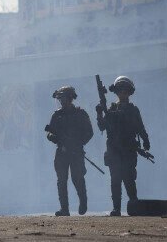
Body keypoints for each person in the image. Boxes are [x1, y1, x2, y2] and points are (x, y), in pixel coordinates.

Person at [96, 76, 150, 217]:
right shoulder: (111, 109)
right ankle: (116, 208)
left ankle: (134, 204)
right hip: (114, 150)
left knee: (129, 178)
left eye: (125, 90)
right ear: (117, 92)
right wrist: (99, 113)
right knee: (115, 180)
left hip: (129, 149)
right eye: (120, 90)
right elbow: (102, 126)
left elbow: (140, 127)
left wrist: (146, 141)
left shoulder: (133, 110)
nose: (123, 93)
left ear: (129, 92)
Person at [45, 86, 93, 216]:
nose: (61, 101)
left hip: (76, 152)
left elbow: (89, 132)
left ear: (70, 98)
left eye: (63, 98)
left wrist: (77, 144)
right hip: (62, 152)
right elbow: (49, 133)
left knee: (77, 178)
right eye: (60, 99)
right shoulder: (57, 115)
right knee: (61, 180)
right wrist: (56, 139)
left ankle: (83, 201)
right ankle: (64, 209)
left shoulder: (80, 114)